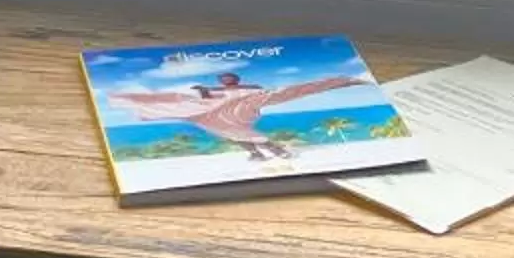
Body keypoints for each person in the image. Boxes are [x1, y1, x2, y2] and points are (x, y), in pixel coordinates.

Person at [108, 66, 362, 164]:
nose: (224, 80)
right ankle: (258, 152)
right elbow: (205, 97)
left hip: (243, 110)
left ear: (235, 78)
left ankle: (276, 151)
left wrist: (214, 90)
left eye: (227, 78)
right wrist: (204, 93)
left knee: (241, 127)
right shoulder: (215, 93)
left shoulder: (249, 88)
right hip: (222, 114)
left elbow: (269, 93)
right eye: (222, 78)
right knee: (225, 129)